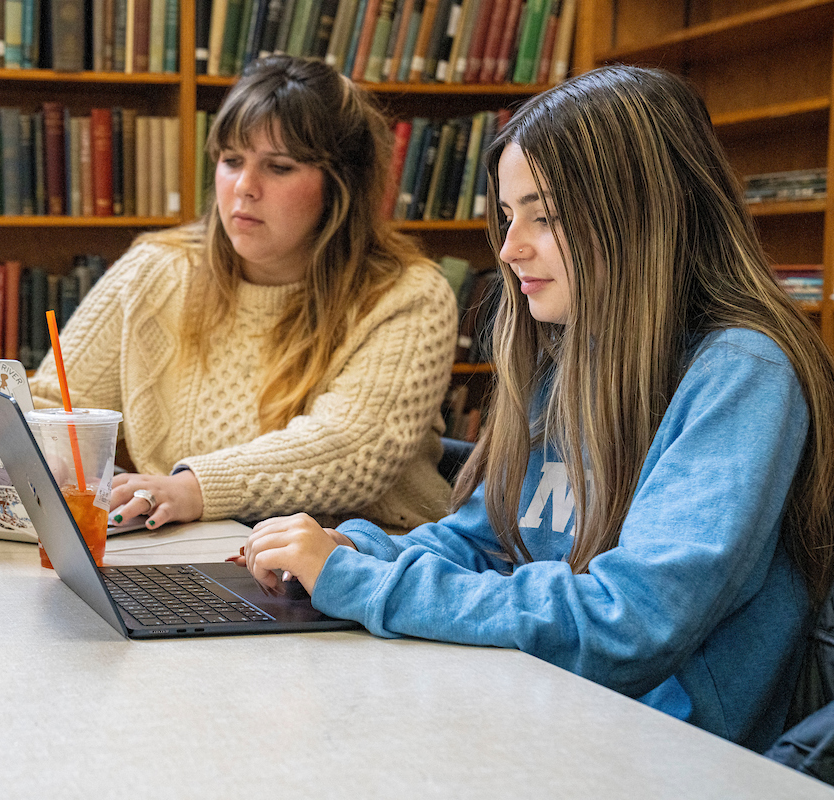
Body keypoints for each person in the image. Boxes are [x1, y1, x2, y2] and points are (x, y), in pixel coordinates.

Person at [240, 65, 834, 752]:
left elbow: (631, 621)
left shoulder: (743, 373)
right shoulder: (572, 351)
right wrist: (355, 548)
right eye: (508, 214)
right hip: (541, 703)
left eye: (544, 217)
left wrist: (363, 582)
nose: (509, 247)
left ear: (643, 214)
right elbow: (483, 541)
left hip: (655, 749)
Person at [28, 55, 459, 531]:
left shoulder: (411, 295)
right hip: (194, 554)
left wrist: (192, 489)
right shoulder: (157, 267)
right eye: (232, 161)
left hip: (371, 569)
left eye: (278, 167)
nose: (244, 188)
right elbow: (53, 406)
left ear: (342, 187)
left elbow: (354, 450)